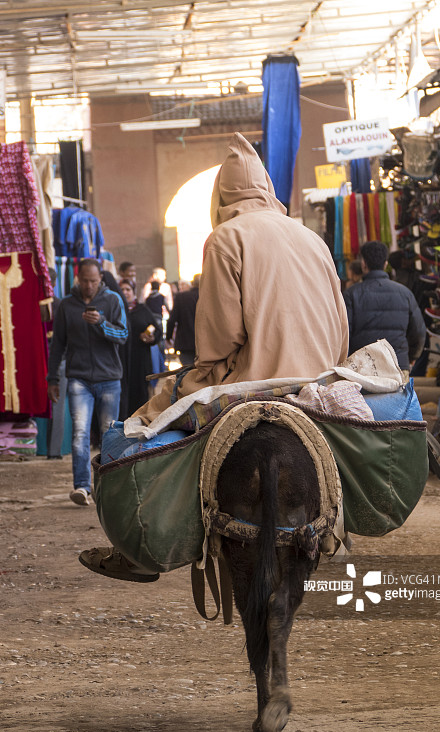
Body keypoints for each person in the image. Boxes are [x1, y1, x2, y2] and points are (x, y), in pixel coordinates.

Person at [80, 131, 348, 579]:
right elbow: (342, 328)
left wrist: (191, 379)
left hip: (253, 383)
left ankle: (141, 551)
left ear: (222, 195)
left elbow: (219, 343)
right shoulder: (312, 238)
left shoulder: (225, 239)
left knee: (131, 434)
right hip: (319, 383)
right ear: (266, 188)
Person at [47, 258, 128, 505]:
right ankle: (82, 487)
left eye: (94, 281)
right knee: (80, 433)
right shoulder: (66, 306)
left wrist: (101, 323)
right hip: (78, 378)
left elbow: (123, 335)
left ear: (100, 279)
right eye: (85, 281)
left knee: (108, 435)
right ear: (78, 278)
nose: (89, 285)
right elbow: (58, 344)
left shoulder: (112, 300)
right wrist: (52, 378)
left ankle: (107, 487)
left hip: (109, 379)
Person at [343, 240, 426, 377]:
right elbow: (419, 332)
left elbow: (345, 335)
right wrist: (410, 357)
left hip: (363, 370)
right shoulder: (405, 294)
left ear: (363, 264)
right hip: (397, 366)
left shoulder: (351, 295)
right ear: (385, 264)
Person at [119, 279, 163, 416]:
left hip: (140, 360)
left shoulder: (142, 309)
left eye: (128, 289)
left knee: (140, 395)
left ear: (133, 291)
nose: (125, 293)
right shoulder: (116, 309)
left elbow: (157, 330)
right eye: (122, 290)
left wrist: (151, 338)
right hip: (121, 360)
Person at [166, 273, 200, 366]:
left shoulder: (181, 297)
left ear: (192, 284)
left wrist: (168, 337)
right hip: (206, 344)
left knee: (187, 373)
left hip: (186, 343)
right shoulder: (210, 297)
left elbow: (172, 320)